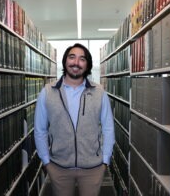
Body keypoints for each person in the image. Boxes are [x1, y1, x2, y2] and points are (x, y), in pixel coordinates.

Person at [34, 43, 115, 196]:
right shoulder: (47, 92)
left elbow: (108, 128)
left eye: (82, 59)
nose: (76, 63)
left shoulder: (99, 93)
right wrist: (46, 161)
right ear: (65, 61)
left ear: (87, 65)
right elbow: (40, 130)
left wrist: (105, 160)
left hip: (93, 167)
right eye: (72, 57)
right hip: (59, 167)